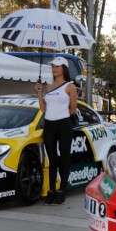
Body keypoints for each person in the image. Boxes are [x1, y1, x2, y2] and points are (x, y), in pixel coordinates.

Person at [35, 56, 77, 205]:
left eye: (57, 66)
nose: (54, 69)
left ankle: (62, 190)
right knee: (52, 159)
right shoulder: (48, 87)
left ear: (64, 68)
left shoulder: (70, 87)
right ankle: (51, 190)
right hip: (49, 125)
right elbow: (42, 108)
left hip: (64, 124)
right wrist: (40, 92)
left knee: (64, 158)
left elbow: (73, 110)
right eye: (53, 66)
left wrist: (60, 110)